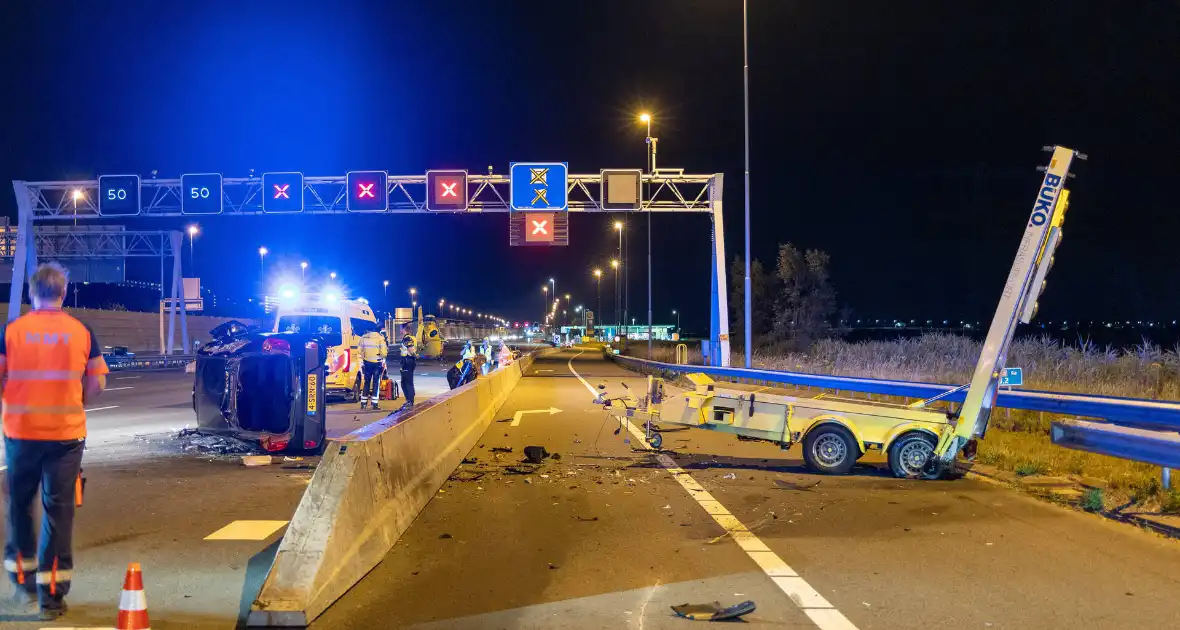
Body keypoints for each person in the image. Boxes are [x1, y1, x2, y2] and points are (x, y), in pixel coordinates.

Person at [1, 262, 108, 621]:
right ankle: (51, 598)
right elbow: (96, 383)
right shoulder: (82, 331)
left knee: (19, 508)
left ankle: (22, 585)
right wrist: (74, 402)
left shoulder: (12, 330)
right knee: (58, 513)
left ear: (33, 293)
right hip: (65, 435)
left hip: (21, 434)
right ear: (63, 293)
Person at [357, 326, 387, 410]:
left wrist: (363, 361)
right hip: (377, 363)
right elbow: (384, 353)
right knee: (375, 383)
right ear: (378, 331)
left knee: (366, 382)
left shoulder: (363, 338)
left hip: (367, 363)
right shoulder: (380, 338)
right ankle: (374, 404)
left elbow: (359, 351)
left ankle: (363, 403)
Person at [398, 333, 417, 409]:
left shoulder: (408, 339)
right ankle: (409, 399)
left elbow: (410, 348)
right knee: (404, 383)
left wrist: (414, 355)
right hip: (406, 361)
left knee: (408, 383)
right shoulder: (407, 339)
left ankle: (410, 400)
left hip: (408, 361)